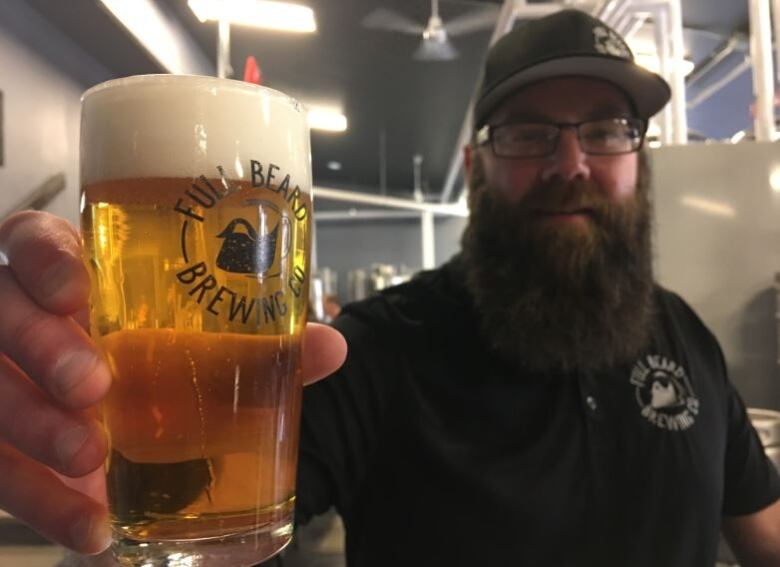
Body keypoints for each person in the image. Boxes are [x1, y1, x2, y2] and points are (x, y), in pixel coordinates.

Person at [0, 8, 778, 567]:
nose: (571, 164)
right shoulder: (376, 351)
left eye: (607, 128)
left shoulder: (686, 334)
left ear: (638, 160)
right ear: (474, 170)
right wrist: (99, 485)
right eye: (530, 132)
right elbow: (196, 536)